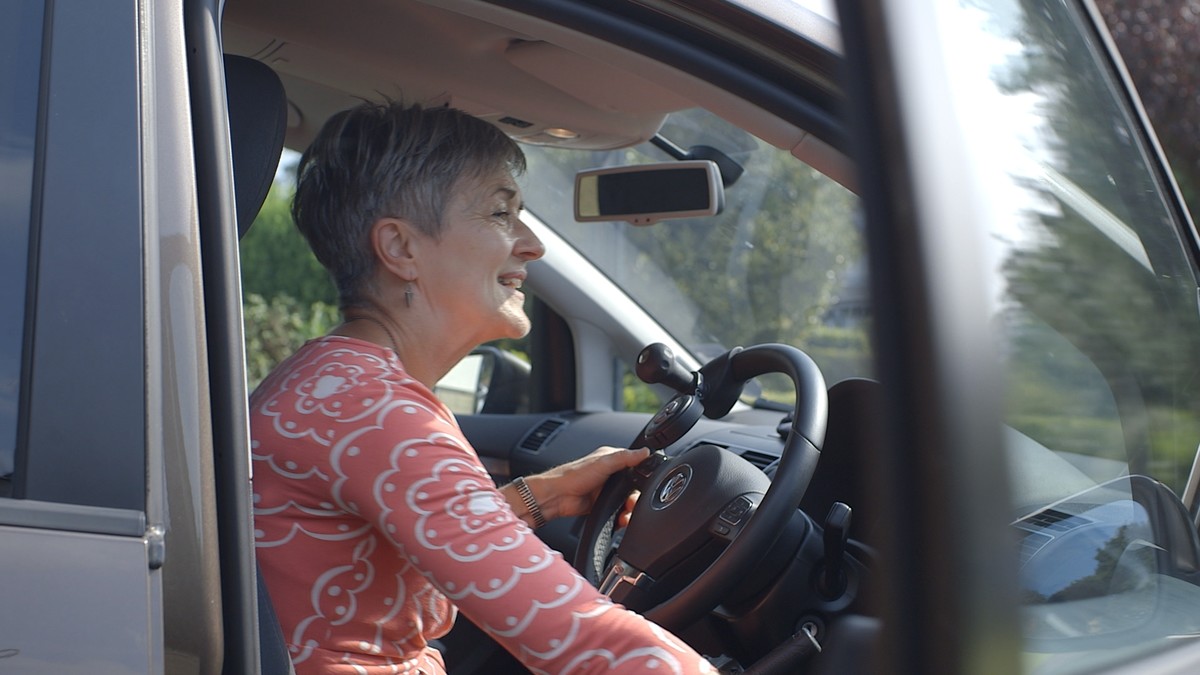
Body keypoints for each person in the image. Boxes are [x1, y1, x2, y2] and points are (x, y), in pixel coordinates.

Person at [250, 101, 716, 674]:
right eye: (501, 214)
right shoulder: (381, 414)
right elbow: (582, 637)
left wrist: (534, 498)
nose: (532, 244)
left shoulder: (332, 381)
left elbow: (371, 546)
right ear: (400, 248)